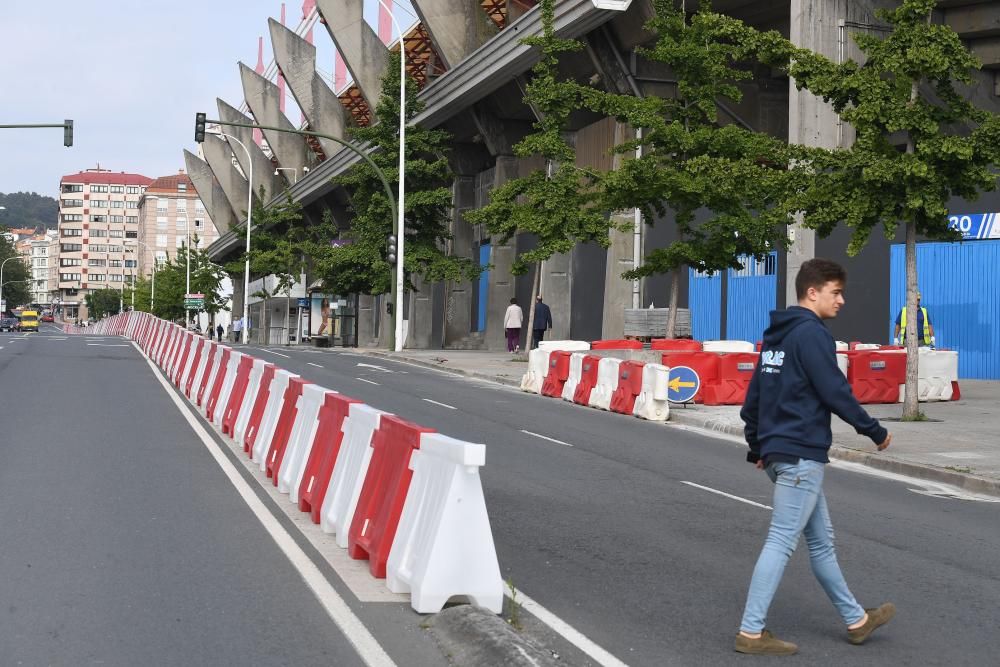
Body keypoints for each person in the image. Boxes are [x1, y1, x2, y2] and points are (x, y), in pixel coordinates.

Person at [735, 258, 895, 656]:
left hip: (779, 452)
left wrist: (758, 446)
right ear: (813, 291)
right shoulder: (812, 335)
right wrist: (873, 430)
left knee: (822, 542)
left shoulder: (776, 336)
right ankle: (751, 632)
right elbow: (834, 391)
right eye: (836, 292)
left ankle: (857, 620)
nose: (842, 300)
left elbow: (754, 398)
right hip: (800, 454)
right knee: (781, 541)